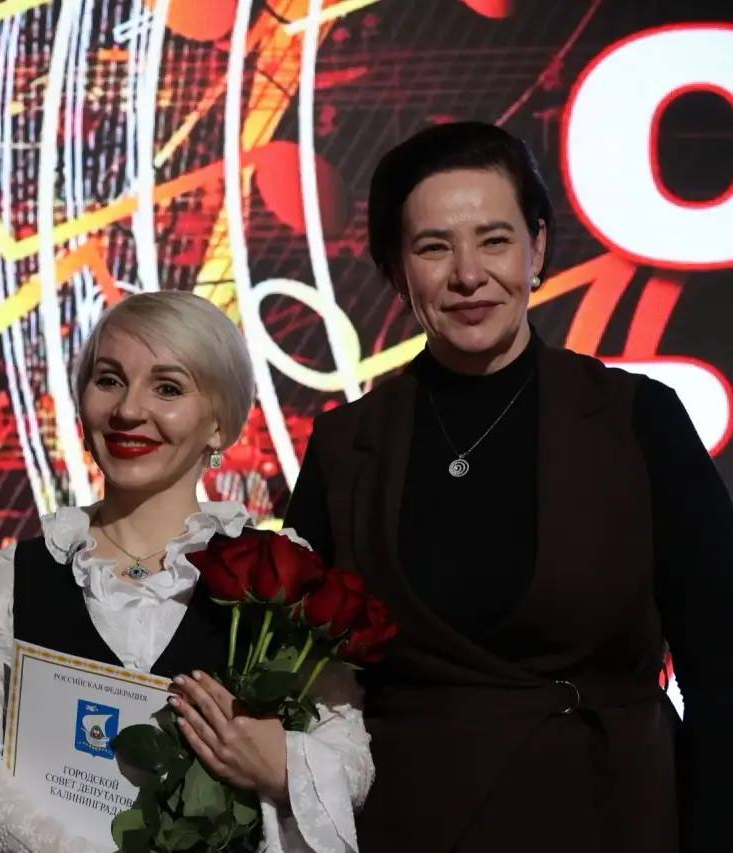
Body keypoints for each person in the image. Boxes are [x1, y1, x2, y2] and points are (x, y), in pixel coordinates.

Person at [284, 121, 731, 852]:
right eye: (434, 247)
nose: (468, 274)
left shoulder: (637, 419)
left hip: (609, 817)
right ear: (396, 269)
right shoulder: (346, 445)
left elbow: (721, 667)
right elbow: (296, 677)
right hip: (411, 826)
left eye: (494, 240)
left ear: (538, 249)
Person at [0, 291, 373, 852]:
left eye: (167, 388)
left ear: (219, 424)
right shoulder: (17, 575)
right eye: (109, 380)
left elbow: (350, 760)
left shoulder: (281, 573)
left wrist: (283, 765)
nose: (128, 410)